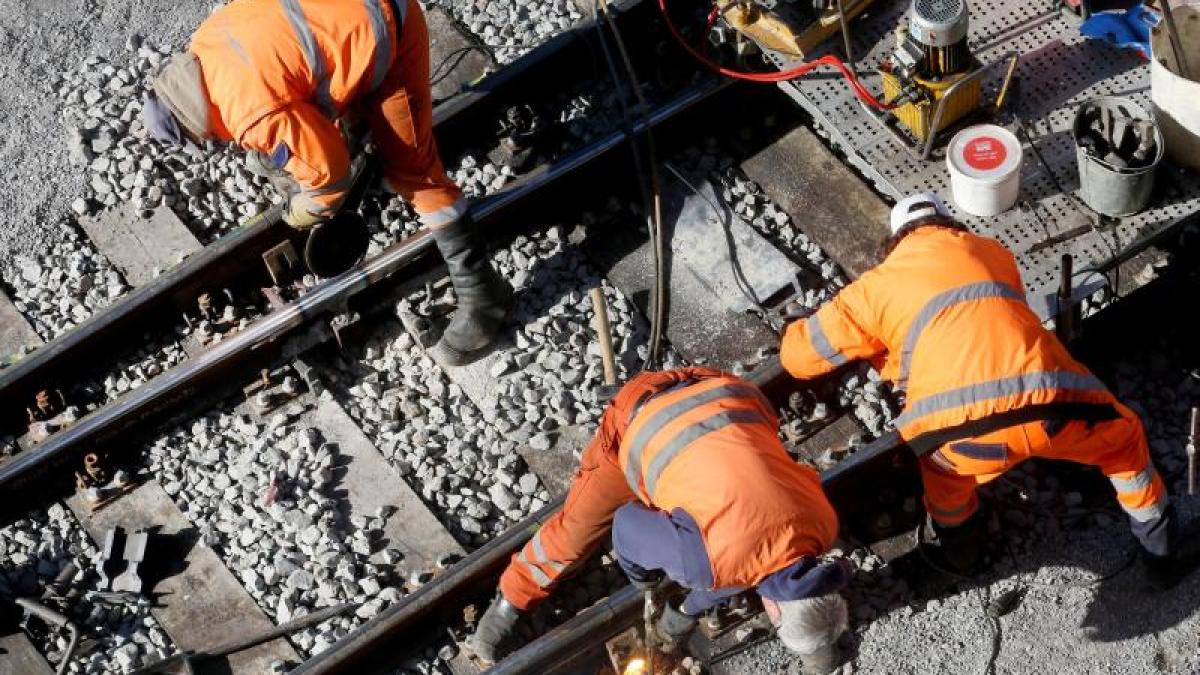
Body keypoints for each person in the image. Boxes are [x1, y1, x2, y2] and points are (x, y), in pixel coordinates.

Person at [780, 191, 1179, 585]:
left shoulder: (874, 287)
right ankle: (1161, 557)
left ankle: (964, 550)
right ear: (951, 225)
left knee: (946, 487)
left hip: (955, 437)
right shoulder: (991, 252)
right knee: (1124, 444)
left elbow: (798, 359)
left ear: (895, 242)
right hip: (1055, 406)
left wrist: (803, 327)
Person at [140, 0, 510, 365]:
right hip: (346, 19)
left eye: (200, 139)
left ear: (192, 125)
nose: (211, 141)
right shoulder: (207, 42)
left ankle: (483, 295)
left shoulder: (250, 112)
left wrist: (303, 212)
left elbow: (329, 179)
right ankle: (366, 137)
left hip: (390, 28)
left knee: (415, 174)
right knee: (316, 112)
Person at [467, 368, 854, 674]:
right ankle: (513, 596)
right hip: (641, 416)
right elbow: (625, 526)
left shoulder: (824, 524)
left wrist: (688, 609)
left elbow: (745, 564)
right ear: (773, 611)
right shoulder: (704, 565)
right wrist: (642, 576)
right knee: (576, 529)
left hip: (725, 393)